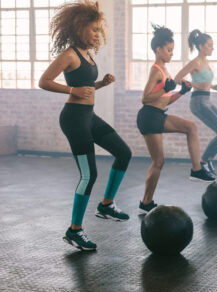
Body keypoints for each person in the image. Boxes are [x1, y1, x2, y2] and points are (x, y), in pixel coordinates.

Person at [39, 1, 131, 251]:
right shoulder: (69, 55)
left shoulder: (88, 54)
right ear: (79, 28)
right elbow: (44, 81)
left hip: (88, 116)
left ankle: (106, 205)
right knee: (89, 175)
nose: (97, 34)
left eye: (98, 30)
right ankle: (74, 230)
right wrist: (71, 89)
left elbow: (86, 88)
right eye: (93, 29)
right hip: (74, 119)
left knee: (124, 153)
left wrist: (101, 83)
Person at [137, 25, 215, 214]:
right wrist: (165, 88)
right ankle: (146, 202)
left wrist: (182, 92)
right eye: (169, 50)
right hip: (149, 116)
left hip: (158, 115)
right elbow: (145, 98)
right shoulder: (156, 70)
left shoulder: (165, 70)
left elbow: (166, 100)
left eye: (172, 50)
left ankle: (196, 169)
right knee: (158, 162)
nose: (172, 54)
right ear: (159, 50)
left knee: (191, 127)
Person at [175, 30, 217, 176]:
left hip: (207, 100)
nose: (212, 48)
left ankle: (208, 159)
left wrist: (212, 86)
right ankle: (203, 161)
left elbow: (203, 81)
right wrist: (196, 85)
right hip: (198, 102)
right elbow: (177, 78)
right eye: (209, 45)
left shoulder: (206, 62)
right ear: (201, 46)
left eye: (212, 45)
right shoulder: (195, 62)